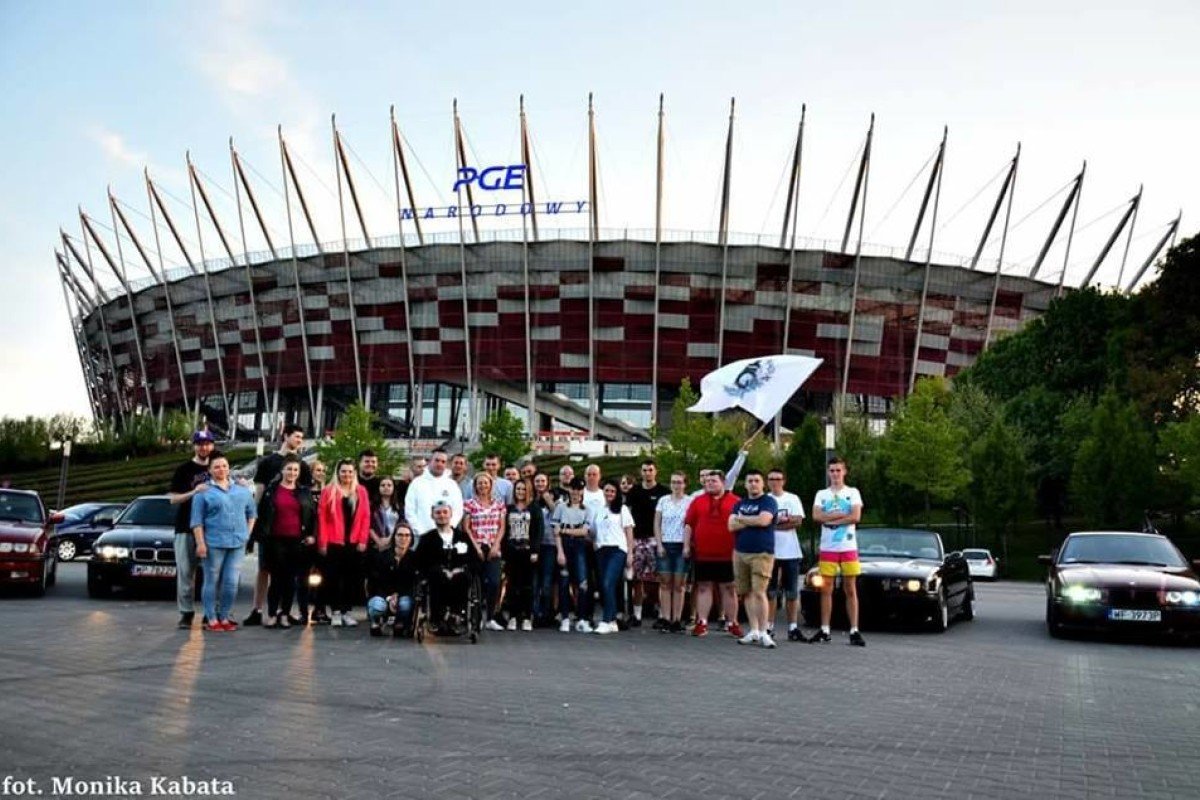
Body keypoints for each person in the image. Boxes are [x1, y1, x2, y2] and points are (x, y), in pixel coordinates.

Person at [244, 424, 312, 627]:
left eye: (302, 437)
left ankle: (284, 611)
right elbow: (259, 490)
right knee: (264, 568)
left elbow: (305, 497)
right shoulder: (268, 462)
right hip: (269, 526)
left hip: (292, 532)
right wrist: (254, 521)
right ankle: (257, 609)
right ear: (285, 436)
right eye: (296, 436)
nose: (300, 440)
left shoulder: (303, 465)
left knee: (289, 574)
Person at [190, 451, 257, 631]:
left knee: (231, 581)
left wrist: (247, 535)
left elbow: (252, 514)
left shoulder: (241, 490)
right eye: (217, 467)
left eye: (225, 466)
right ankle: (211, 617)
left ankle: (225, 616)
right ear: (210, 470)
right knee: (211, 579)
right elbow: (196, 521)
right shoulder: (203, 492)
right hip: (213, 543)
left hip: (237, 542)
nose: (221, 469)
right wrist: (200, 543)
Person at [811, 456, 865, 647]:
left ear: (844, 472)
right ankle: (825, 629)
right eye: (832, 470)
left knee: (850, 588)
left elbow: (856, 516)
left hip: (848, 547)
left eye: (838, 470)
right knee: (826, 588)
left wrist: (832, 519)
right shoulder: (821, 494)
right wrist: (843, 515)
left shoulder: (853, 492)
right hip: (828, 547)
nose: (835, 474)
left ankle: (854, 629)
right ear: (828, 472)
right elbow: (817, 516)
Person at [255, 455, 315, 629]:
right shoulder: (271, 491)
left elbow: (311, 515)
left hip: (296, 540)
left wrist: (312, 534)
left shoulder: (304, 492)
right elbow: (264, 514)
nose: (292, 473)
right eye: (289, 469)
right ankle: (273, 613)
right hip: (275, 540)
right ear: (282, 471)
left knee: (290, 580)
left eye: (295, 470)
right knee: (276, 579)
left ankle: (285, 614)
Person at [683, 470, 742, 638]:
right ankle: (702, 622)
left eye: (713, 481)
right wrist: (686, 546)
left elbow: (742, 525)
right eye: (707, 481)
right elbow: (688, 525)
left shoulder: (736, 501)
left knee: (729, 588)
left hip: (728, 554)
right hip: (703, 553)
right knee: (703, 587)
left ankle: (732, 622)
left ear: (723, 482)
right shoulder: (697, 501)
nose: (709, 483)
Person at [168, 429, 215, 628]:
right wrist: (194, 491)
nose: (204, 447)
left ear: (212, 445)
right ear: (194, 446)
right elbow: (172, 499)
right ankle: (186, 613)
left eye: (207, 444)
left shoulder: (217, 467)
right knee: (186, 572)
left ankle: (210, 612)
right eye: (200, 444)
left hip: (212, 528)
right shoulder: (184, 469)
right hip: (185, 527)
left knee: (212, 573)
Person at [317, 459, 371, 627]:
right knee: (333, 579)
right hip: (334, 542)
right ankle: (335, 612)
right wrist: (323, 543)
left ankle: (347, 611)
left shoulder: (361, 491)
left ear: (354, 473)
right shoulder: (329, 491)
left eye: (350, 471)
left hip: (353, 542)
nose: (347, 475)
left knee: (351, 579)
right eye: (343, 471)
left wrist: (363, 539)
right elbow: (322, 519)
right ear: (338, 473)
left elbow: (365, 517)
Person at [728, 470, 778, 648]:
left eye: (757, 480)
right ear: (745, 484)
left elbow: (764, 521)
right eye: (750, 481)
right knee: (745, 592)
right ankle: (754, 630)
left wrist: (742, 519)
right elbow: (731, 525)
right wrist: (750, 519)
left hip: (761, 553)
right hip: (740, 552)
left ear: (762, 483)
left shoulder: (768, 501)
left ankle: (765, 632)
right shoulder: (739, 503)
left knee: (759, 592)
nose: (753, 484)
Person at [415, 500, 481, 632]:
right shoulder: (427, 539)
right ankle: (437, 617)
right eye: (438, 512)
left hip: (459, 575)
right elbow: (420, 561)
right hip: (437, 576)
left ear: (451, 514)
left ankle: (456, 614)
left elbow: (473, 560)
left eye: (445, 512)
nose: (442, 515)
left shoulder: (462, 537)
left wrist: (459, 569)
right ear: (432, 515)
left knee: (463, 577)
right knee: (436, 575)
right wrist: (442, 570)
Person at [625, 459, 669, 628]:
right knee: (636, 579)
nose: (647, 473)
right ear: (641, 472)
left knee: (657, 579)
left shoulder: (663, 492)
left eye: (650, 470)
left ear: (655, 471)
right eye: (644, 470)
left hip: (654, 539)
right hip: (636, 539)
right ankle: (636, 615)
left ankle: (660, 614)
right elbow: (626, 514)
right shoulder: (634, 491)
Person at [590, 480, 635, 635]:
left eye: (612, 491)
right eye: (607, 490)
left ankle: (606, 619)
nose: (609, 494)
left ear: (616, 494)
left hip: (617, 550)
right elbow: (593, 531)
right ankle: (613, 620)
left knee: (609, 582)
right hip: (602, 550)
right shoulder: (600, 510)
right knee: (604, 586)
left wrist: (630, 553)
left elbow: (629, 532)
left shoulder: (622, 510)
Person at [463, 472, 507, 630]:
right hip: (476, 546)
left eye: (485, 483)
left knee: (494, 582)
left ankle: (490, 617)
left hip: (493, 546)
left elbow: (502, 527)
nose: (483, 486)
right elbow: (466, 527)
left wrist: (496, 545)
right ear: (475, 486)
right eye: (480, 483)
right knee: (478, 583)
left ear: (491, 485)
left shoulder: (499, 504)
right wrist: (476, 547)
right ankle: (477, 618)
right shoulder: (469, 504)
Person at [766, 468, 806, 641]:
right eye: (771, 479)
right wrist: (780, 522)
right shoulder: (765, 499)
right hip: (770, 551)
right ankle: (768, 626)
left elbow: (797, 521)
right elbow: (762, 523)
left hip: (790, 551)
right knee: (771, 592)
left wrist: (774, 524)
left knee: (791, 592)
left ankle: (792, 627)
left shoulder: (792, 498)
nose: (775, 482)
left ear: (783, 481)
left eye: (778, 479)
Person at [552, 478, 593, 633]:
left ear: (582, 491)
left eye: (579, 489)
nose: (576, 492)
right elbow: (555, 531)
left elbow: (584, 531)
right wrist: (560, 552)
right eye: (573, 489)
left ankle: (581, 618)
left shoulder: (587, 510)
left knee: (582, 583)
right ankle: (565, 618)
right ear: (569, 490)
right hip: (564, 545)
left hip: (580, 546)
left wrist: (564, 530)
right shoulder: (561, 508)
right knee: (564, 582)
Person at [502, 477, 543, 631]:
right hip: (512, 551)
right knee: (512, 585)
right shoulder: (509, 508)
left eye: (523, 489)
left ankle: (527, 617)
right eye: (518, 489)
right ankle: (513, 616)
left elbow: (538, 531)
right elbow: (504, 530)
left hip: (528, 552)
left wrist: (535, 550)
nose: (520, 492)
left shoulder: (534, 508)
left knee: (528, 586)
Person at [654, 471, 691, 633]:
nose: (676, 485)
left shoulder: (690, 502)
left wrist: (687, 546)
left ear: (685, 484)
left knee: (679, 584)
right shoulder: (663, 501)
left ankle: (677, 618)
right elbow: (657, 523)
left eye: (679, 482)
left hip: (681, 544)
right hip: (666, 544)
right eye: (673, 482)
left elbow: (690, 524)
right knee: (665, 583)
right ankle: (666, 618)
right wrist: (659, 544)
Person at [366, 522, 418, 637]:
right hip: (383, 594)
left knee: (405, 603)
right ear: (394, 537)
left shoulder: (415, 558)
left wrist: (398, 595)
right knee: (377, 605)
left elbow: (414, 583)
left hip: (404, 595)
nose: (403, 538)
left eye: (407, 535)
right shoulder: (382, 556)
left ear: (411, 538)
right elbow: (374, 581)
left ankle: (401, 623)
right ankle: (376, 622)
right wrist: (389, 598)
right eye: (400, 535)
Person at [404, 449, 464, 537]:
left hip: (446, 536)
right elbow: (409, 511)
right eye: (437, 460)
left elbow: (458, 510)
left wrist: (448, 529)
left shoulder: (452, 485)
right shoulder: (417, 483)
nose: (439, 464)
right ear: (429, 462)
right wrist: (419, 531)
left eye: (443, 461)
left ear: (446, 464)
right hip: (421, 535)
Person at [532, 472, 561, 624]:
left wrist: (549, 501)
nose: (540, 484)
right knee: (535, 581)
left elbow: (558, 517)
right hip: (535, 545)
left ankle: (547, 612)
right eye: (537, 481)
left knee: (547, 581)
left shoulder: (556, 498)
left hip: (550, 545)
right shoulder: (531, 499)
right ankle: (535, 613)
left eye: (543, 481)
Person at [304, 460, 330, 624]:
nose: (319, 473)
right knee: (304, 575)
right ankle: (303, 609)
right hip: (308, 538)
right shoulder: (304, 491)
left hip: (324, 538)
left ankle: (320, 609)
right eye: (317, 470)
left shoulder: (328, 492)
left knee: (324, 575)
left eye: (322, 470)